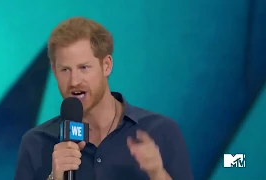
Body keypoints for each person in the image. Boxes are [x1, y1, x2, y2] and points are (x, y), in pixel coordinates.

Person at [14, 17, 193, 180]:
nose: (74, 81)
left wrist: (157, 174)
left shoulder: (160, 132)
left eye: (84, 67)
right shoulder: (35, 143)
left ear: (106, 66)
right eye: (65, 70)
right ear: (54, 72)